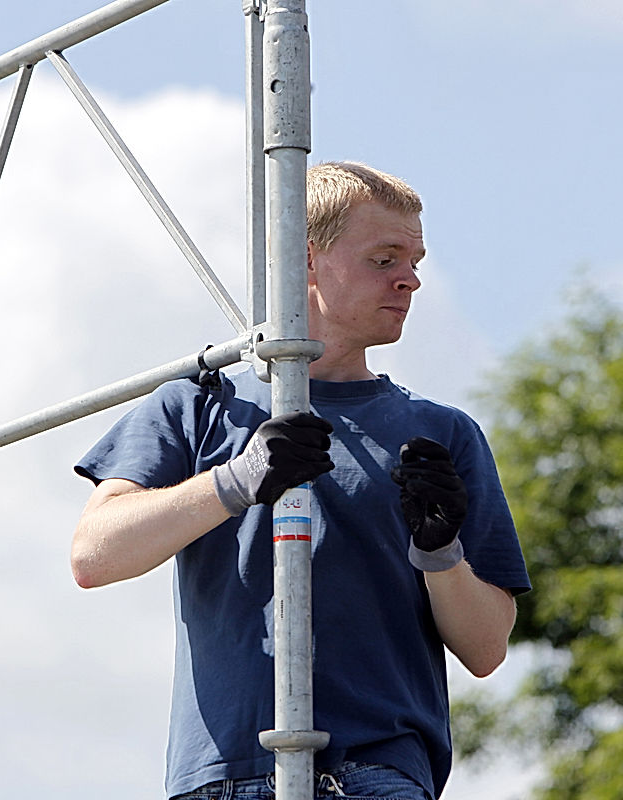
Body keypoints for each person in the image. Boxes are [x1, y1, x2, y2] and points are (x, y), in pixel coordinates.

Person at [71, 161, 530, 800]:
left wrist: (441, 553)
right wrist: (236, 480)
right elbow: (95, 554)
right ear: (305, 260)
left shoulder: (441, 436)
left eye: (415, 259)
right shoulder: (200, 406)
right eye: (384, 258)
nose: (411, 279)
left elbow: (485, 648)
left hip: (380, 773)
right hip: (228, 774)